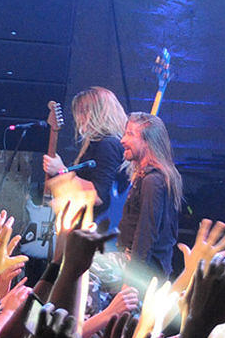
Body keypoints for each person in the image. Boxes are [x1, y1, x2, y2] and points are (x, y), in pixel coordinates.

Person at [43, 87, 130, 230]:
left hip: (97, 231)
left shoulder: (107, 145)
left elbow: (98, 195)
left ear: (98, 112)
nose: (79, 117)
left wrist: (61, 171)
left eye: (83, 111)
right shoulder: (98, 144)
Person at [116, 112, 181, 279]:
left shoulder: (153, 181)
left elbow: (146, 234)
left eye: (130, 134)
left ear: (147, 142)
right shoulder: (146, 177)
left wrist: (131, 279)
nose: (123, 140)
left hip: (144, 274)